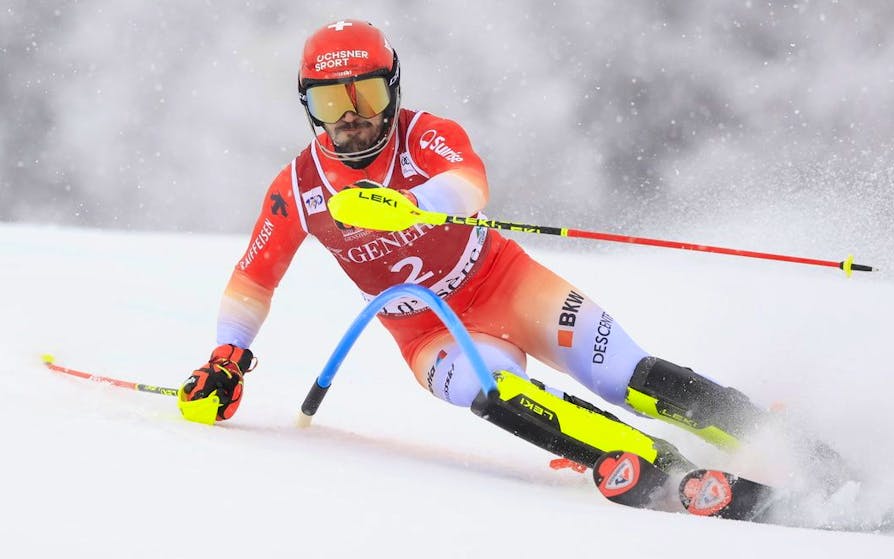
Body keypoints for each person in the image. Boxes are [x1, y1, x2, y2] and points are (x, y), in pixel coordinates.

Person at [179, 19, 783, 506]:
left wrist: (416, 204)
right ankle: (659, 467)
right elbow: (254, 278)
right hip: (428, 331)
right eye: (331, 100)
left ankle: (770, 436)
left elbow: (470, 181)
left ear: (394, 88)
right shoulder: (297, 188)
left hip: (506, 283)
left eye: (367, 94)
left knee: (624, 373)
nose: (352, 116)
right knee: (491, 390)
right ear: (307, 105)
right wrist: (227, 357)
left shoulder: (423, 135)